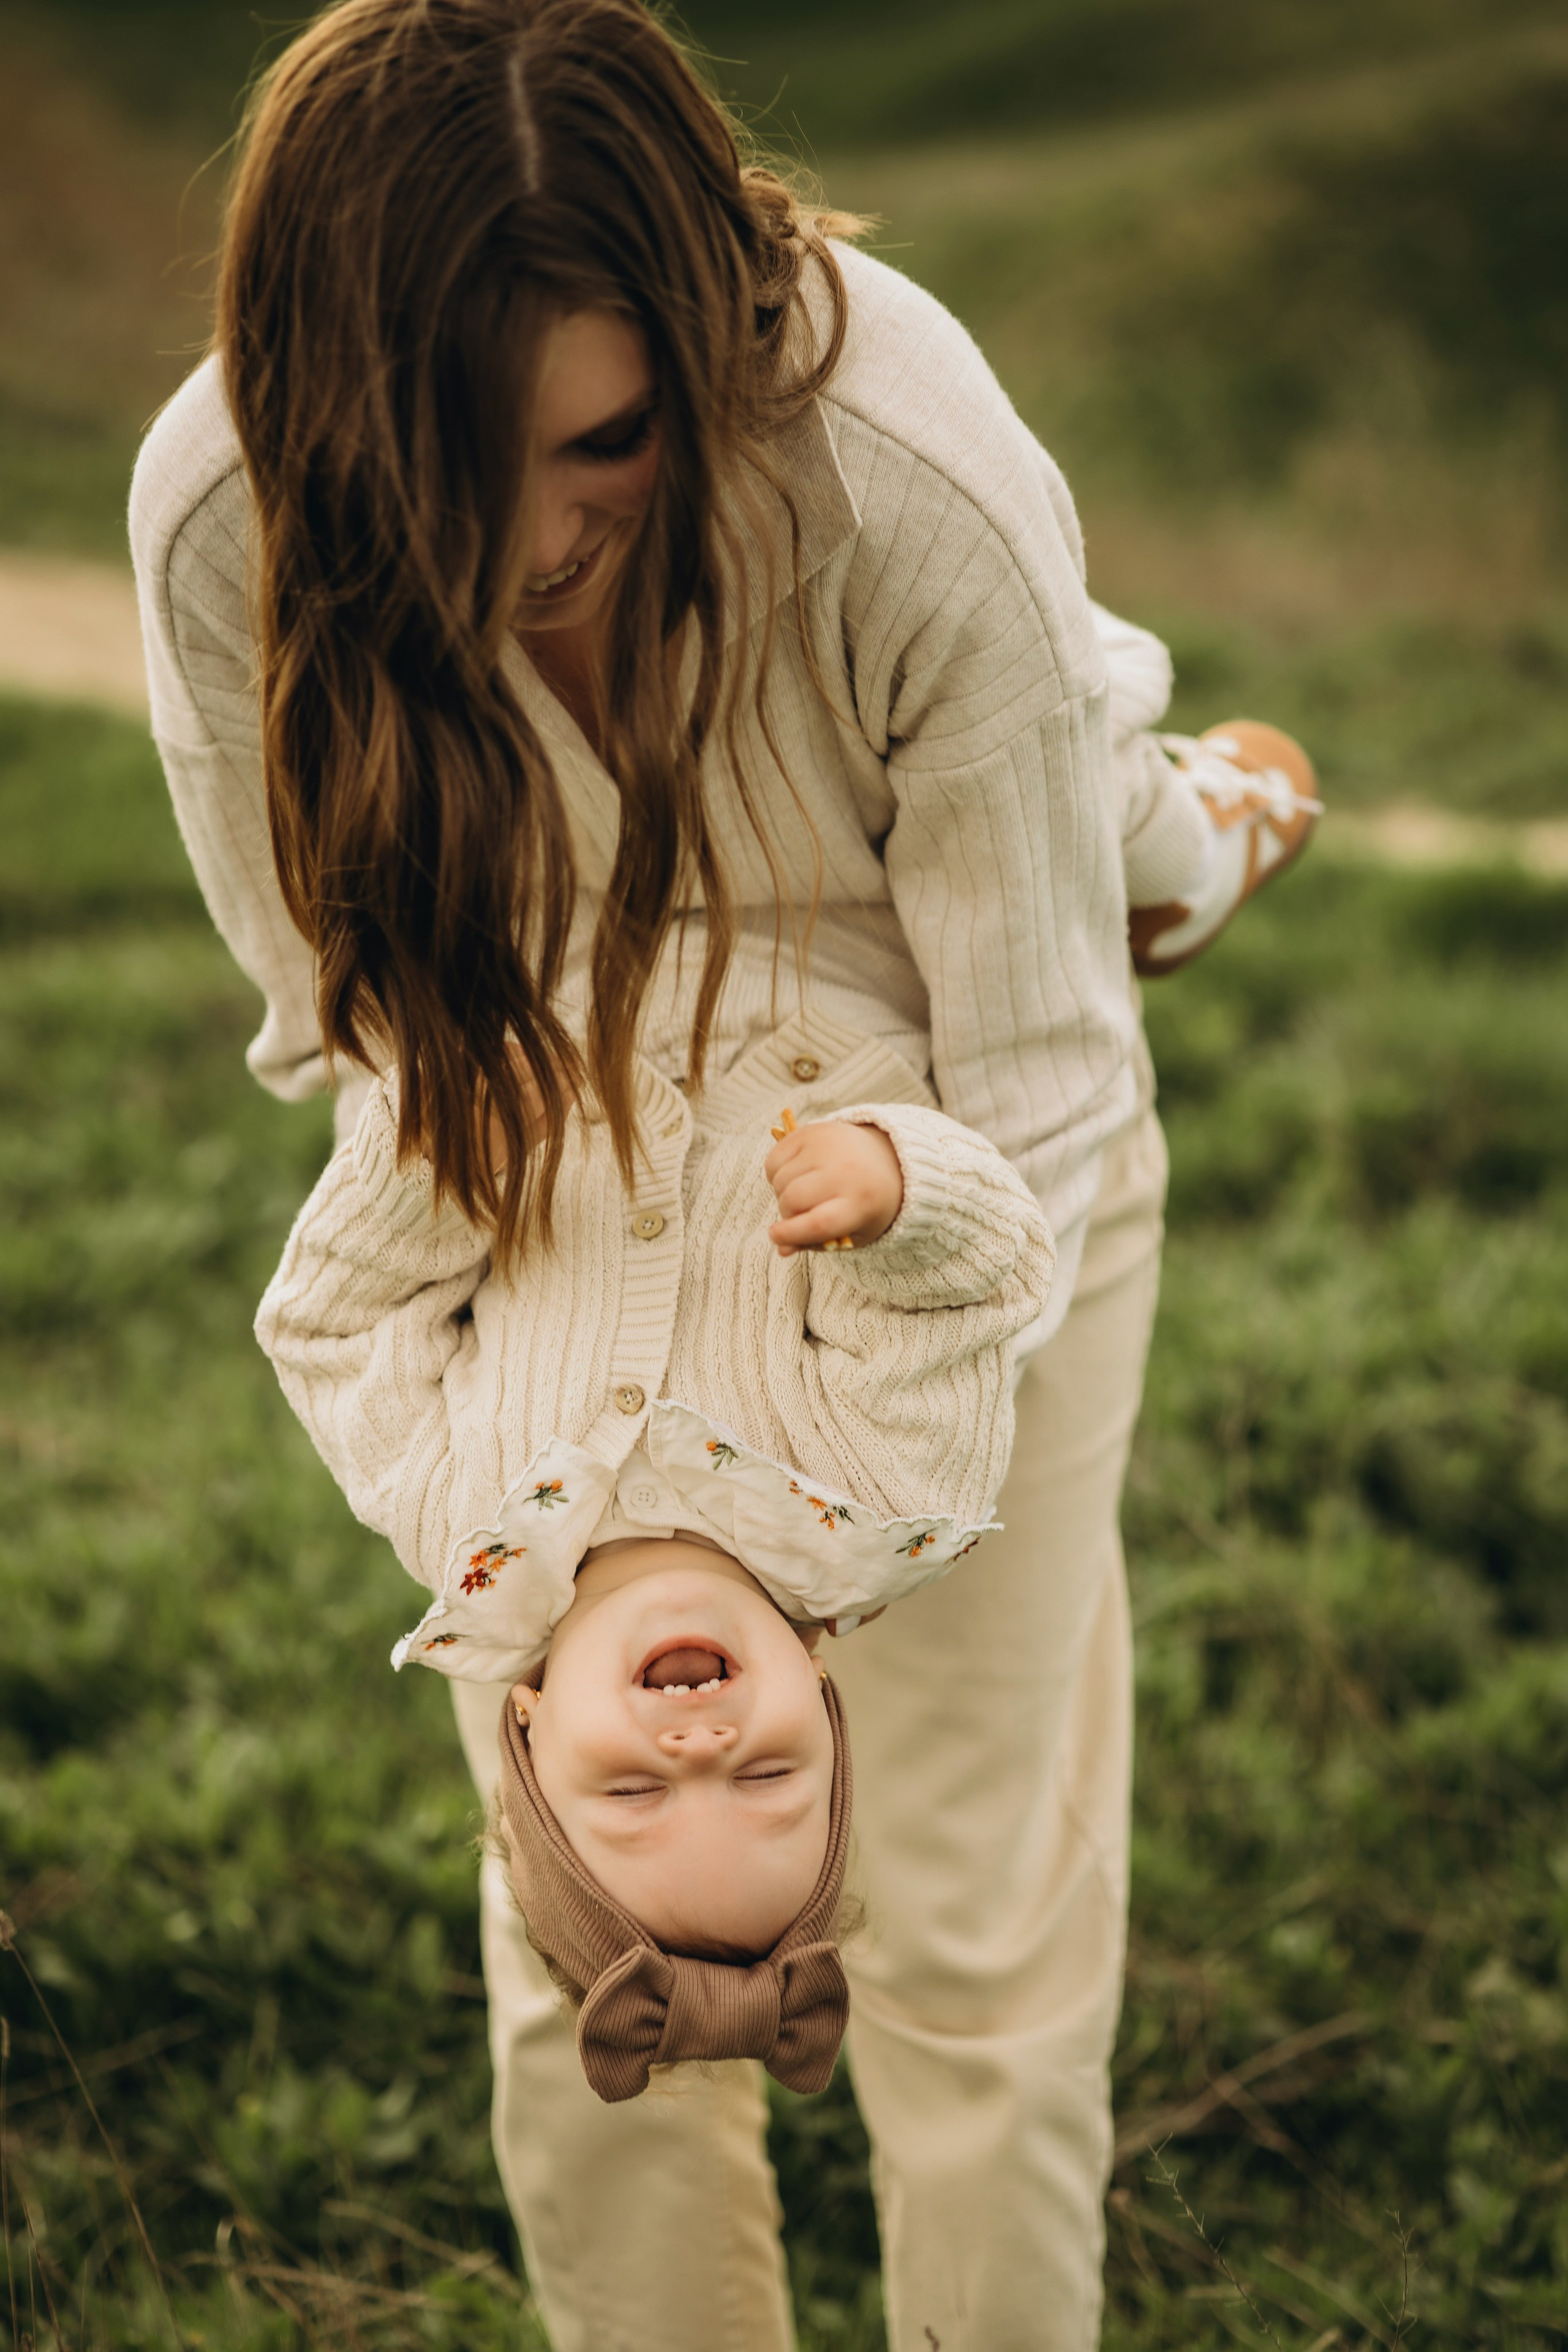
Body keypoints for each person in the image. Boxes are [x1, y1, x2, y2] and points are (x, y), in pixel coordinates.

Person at [127, 0, 1317, 2342]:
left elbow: (1040, 1090)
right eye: (450, 473)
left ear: (716, 342)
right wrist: (539, 1447)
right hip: (551, 1176)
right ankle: (1159, 822)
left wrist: (839, 1487)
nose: (530, 547)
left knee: (967, 1929)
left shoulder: (903, 459)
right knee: (595, 1927)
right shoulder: (217, 513)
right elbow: (341, 1027)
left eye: (606, 444)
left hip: (945, 1142)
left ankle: (1172, 822)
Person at [254, 1044, 1054, 2095]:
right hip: (803, 995)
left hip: (533, 1018)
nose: (702, 1745)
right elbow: (982, 1294)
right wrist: (899, 1197)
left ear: (529, 1729)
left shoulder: (452, 1520)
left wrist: (437, 1162)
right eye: (767, 1777)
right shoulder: (889, 1489)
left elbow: (331, 1329)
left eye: (635, 1789)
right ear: (822, 1702)